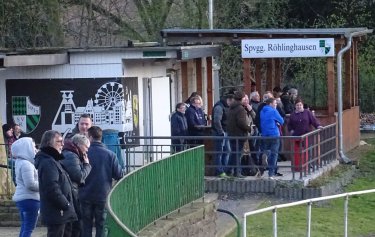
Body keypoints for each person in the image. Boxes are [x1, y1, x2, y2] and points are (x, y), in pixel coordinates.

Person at [80, 126, 124, 237]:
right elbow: (119, 175)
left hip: (85, 194)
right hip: (103, 195)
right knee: (101, 225)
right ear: (101, 137)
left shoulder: (83, 154)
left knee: (86, 225)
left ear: (89, 137)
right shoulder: (110, 155)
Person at [34, 130, 77, 237]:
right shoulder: (48, 162)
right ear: (49, 143)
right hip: (58, 212)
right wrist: (65, 204)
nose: (62, 144)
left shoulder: (53, 160)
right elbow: (52, 188)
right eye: (59, 141)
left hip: (62, 212)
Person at [61, 134, 92, 237]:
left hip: (72, 191)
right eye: (86, 147)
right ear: (79, 144)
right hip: (71, 192)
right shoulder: (71, 156)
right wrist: (87, 165)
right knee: (76, 225)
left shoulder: (71, 154)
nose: (87, 150)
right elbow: (79, 176)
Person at [12, 137, 40, 237]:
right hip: (30, 199)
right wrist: (44, 185)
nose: (35, 148)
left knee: (25, 226)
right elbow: (30, 184)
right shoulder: (26, 164)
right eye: (32, 146)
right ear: (26, 148)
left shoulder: (20, 162)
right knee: (29, 228)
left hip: (24, 199)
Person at [288, 98, 323, 171]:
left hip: (307, 134)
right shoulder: (292, 115)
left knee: (307, 150)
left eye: (300, 105)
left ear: (302, 105)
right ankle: (298, 166)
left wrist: (318, 125)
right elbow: (289, 125)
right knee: (297, 151)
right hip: (297, 135)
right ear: (295, 106)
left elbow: (313, 120)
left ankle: (307, 164)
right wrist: (291, 130)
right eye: (297, 105)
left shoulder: (307, 112)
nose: (299, 106)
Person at [226, 91, 252, 178]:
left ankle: (228, 170)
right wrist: (248, 128)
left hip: (231, 133)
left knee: (234, 153)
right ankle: (237, 172)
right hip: (239, 134)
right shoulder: (241, 109)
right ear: (241, 98)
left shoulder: (231, 108)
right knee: (237, 154)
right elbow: (241, 122)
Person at [260, 98, 284, 179]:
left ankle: (266, 154)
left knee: (267, 148)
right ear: (270, 104)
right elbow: (282, 121)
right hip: (274, 134)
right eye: (275, 103)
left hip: (264, 134)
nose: (276, 105)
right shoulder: (273, 111)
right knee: (274, 154)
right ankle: (271, 173)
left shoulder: (262, 111)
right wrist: (277, 122)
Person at [211, 94, 234, 177]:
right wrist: (221, 132)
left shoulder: (223, 106)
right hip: (220, 133)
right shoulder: (219, 107)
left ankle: (224, 169)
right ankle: (220, 171)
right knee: (220, 152)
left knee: (226, 151)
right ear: (229, 100)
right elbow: (217, 120)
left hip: (225, 132)